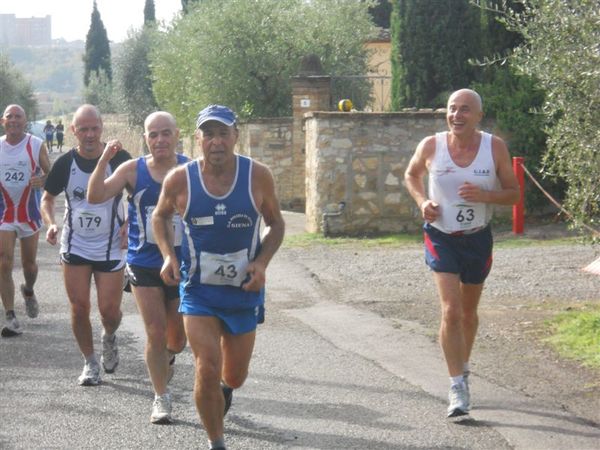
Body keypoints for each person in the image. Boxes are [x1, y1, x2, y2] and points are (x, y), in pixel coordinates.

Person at [152, 105, 285, 450]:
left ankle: (225, 390)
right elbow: (160, 217)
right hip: (199, 292)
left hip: (243, 292)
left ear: (235, 137)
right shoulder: (179, 179)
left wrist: (261, 263)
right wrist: (169, 255)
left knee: (233, 376)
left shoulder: (258, 176)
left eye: (223, 133)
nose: (216, 141)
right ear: (197, 139)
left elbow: (277, 224)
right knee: (206, 367)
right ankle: (217, 442)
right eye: (208, 134)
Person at [404, 88, 520, 417]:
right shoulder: (431, 145)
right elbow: (411, 175)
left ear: (479, 116)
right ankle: (457, 385)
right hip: (441, 236)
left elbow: (513, 194)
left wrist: (485, 195)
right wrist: (422, 202)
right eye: (452, 109)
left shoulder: (494, 147)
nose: (456, 115)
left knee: (468, 314)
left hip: (477, 238)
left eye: (465, 110)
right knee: (451, 311)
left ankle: (463, 368)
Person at [87, 111, 188, 423]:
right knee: (155, 332)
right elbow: (95, 195)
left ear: (176, 135)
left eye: (165, 133)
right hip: (144, 262)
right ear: (145, 138)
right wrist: (104, 158)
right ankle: (161, 397)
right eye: (153, 134)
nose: (160, 140)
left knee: (177, 340)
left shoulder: (191, 169)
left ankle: (167, 358)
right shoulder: (133, 170)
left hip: (184, 262)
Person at [41, 104, 131, 386]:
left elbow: (140, 194)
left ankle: (109, 336)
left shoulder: (119, 158)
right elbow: (47, 198)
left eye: (94, 128)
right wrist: (50, 223)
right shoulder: (66, 163)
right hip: (75, 245)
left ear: (102, 127)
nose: (90, 135)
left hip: (111, 246)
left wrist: (132, 224)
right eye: (83, 129)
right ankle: (90, 362)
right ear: (73, 131)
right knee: (79, 307)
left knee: (109, 312)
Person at [0, 104, 51, 337]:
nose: (13, 120)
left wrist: (42, 179)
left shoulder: (35, 144)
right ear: (3, 121)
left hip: (29, 214)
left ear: (25, 121)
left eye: (18, 116)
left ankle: (28, 290)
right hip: (4, 214)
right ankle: (10, 316)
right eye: (9, 116)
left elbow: (50, 173)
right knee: (3, 262)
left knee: (29, 265)